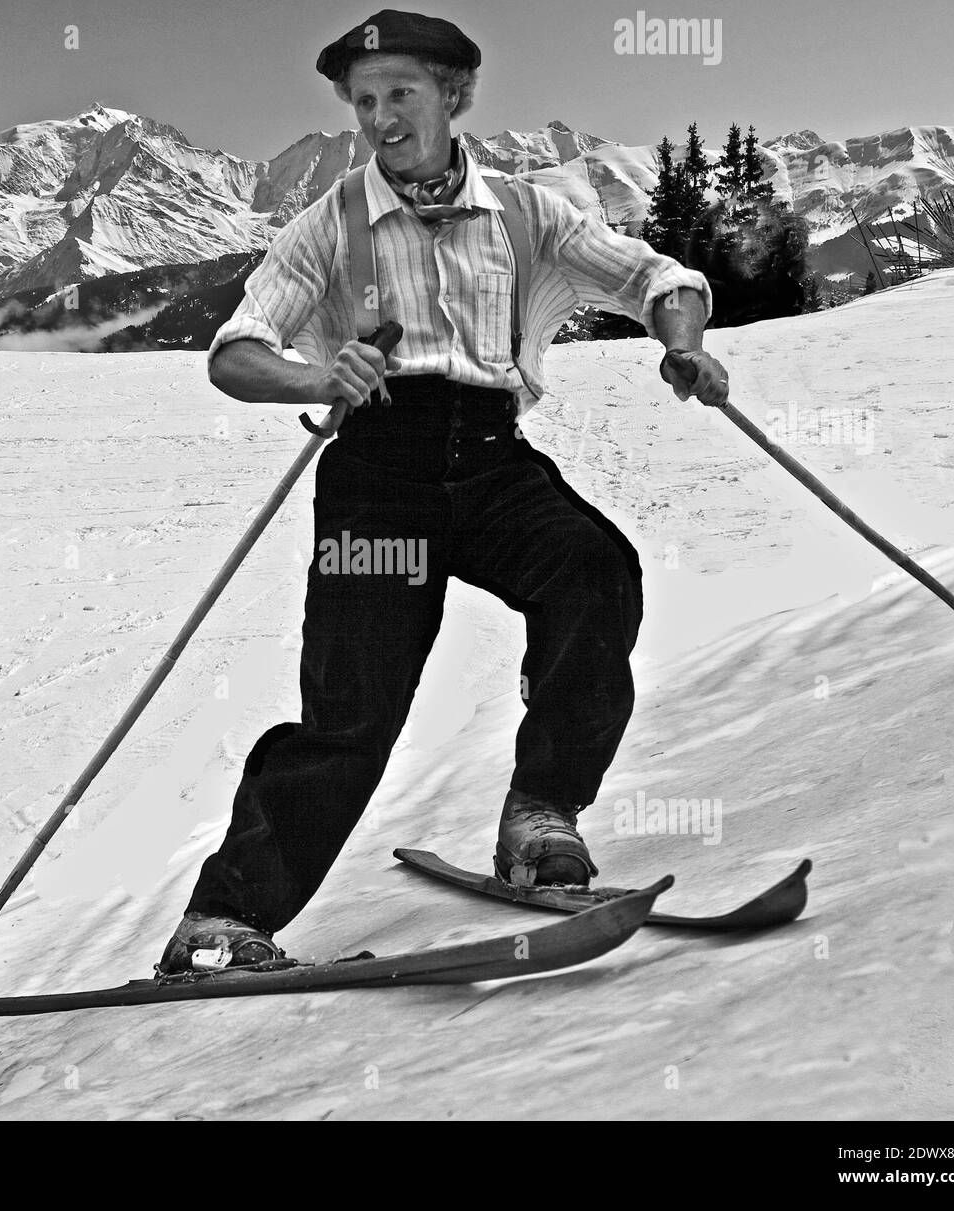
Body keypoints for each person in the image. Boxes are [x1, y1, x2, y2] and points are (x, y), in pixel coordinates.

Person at [160, 8, 729, 973]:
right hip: (377, 481)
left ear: (455, 96)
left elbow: (656, 277)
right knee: (351, 711)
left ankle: (539, 814)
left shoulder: (526, 211)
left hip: (491, 460)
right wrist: (313, 377)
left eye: (401, 95)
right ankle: (220, 919)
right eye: (365, 100)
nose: (380, 118)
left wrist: (682, 342)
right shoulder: (329, 222)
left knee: (595, 571)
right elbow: (236, 354)